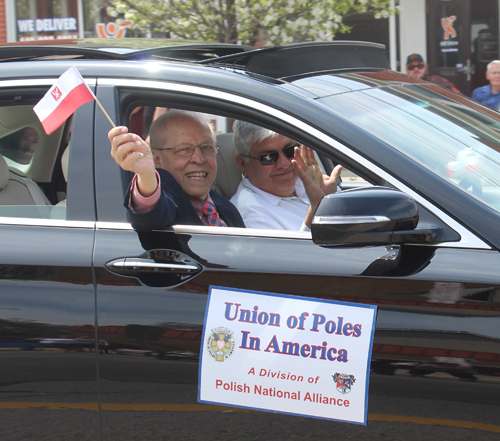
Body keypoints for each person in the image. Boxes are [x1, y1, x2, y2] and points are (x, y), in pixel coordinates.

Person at [109, 109, 245, 231]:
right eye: (184, 149)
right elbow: (150, 214)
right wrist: (146, 175)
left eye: (206, 147)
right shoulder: (167, 204)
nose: (199, 159)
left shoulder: (227, 208)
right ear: (157, 159)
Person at [230, 121, 343, 231]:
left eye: (289, 151)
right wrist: (318, 208)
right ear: (242, 164)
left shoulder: (309, 181)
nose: (284, 164)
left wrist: (332, 202)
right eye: (268, 157)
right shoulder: (249, 215)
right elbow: (294, 250)